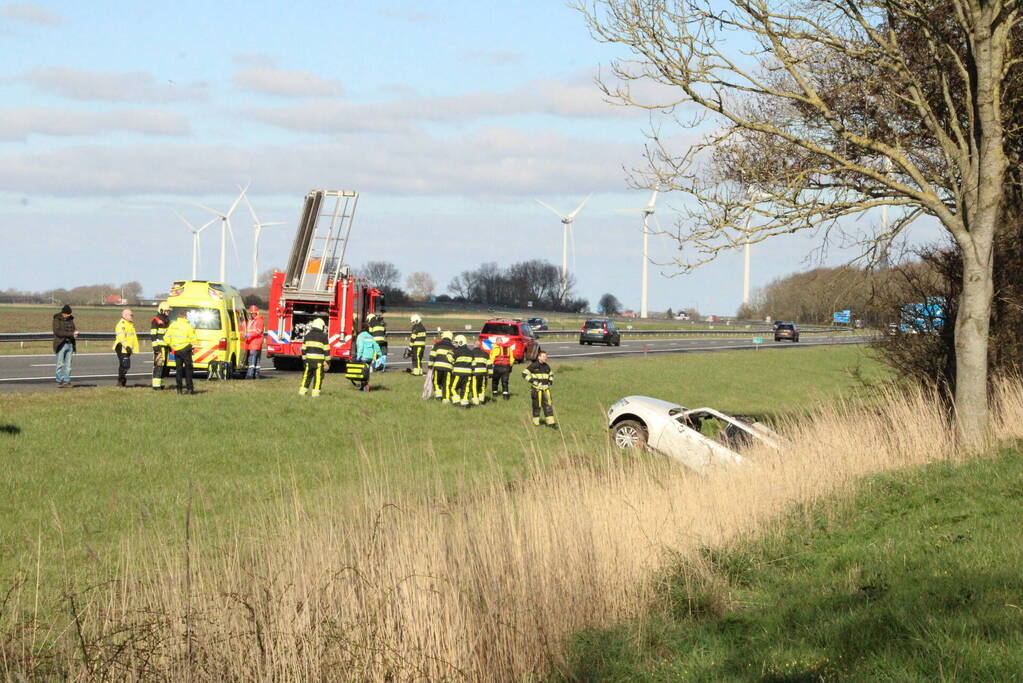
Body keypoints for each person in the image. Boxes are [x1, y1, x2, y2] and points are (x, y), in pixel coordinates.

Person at [522, 349, 557, 428]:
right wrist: (532, 381)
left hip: (546, 390)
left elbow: (551, 374)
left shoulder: (547, 366)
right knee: (536, 406)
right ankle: (536, 423)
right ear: (539, 357)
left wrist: (550, 381)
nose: (546, 358)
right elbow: (524, 373)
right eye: (544, 356)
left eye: (546, 356)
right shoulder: (533, 365)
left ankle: (551, 423)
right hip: (536, 390)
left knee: (548, 406)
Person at [165, 309, 197, 394]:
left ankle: (179, 389)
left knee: (178, 370)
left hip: (177, 350)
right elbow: (193, 339)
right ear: (185, 316)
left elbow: (166, 338)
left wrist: (172, 346)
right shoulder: (188, 326)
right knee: (188, 370)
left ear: (179, 316)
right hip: (186, 350)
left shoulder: (173, 325)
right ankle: (190, 389)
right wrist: (193, 346)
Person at [299, 317, 329, 397]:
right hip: (319, 363)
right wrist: (328, 362)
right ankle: (315, 394)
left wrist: (304, 361)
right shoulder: (324, 337)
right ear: (321, 326)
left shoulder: (307, 335)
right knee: (318, 378)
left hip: (308, 361)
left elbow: (303, 350)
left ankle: (302, 392)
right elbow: (327, 351)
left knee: (306, 377)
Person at [52, 304, 78, 387]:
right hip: (61, 344)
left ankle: (67, 380)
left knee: (68, 365)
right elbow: (58, 332)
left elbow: (73, 329)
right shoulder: (57, 320)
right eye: (68, 314)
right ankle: (59, 380)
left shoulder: (71, 320)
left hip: (70, 344)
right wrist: (71, 334)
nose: (70, 315)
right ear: (64, 313)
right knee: (60, 364)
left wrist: (75, 333)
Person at [113, 308, 139, 387]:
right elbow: (121, 337)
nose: (132, 316)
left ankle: (121, 381)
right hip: (121, 347)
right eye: (130, 315)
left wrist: (132, 347)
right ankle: (121, 381)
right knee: (125, 365)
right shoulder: (121, 324)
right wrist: (127, 346)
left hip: (127, 348)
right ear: (125, 315)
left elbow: (132, 337)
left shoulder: (130, 324)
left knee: (124, 365)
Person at [355, 323, 382, 391]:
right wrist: (380, 354)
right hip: (370, 358)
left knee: (362, 372)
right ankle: (365, 385)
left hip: (363, 357)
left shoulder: (360, 336)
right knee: (367, 372)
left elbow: (360, 347)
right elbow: (376, 346)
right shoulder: (370, 336)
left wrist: (358, 356)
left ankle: (364, 386)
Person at [149, 302, 171, 390]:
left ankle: (161, 384)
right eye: (167, 311)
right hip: (159, 348)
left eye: (168, 311)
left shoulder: (167, 320)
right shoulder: (155, 320)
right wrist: (156, 348)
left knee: (164, 367)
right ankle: (156, 386)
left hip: (166, 347)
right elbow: (153, 335)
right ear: (161, 310)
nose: (168, 312)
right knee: (158, 366)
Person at [429, 331, 455, 401]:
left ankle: (438, 396)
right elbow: (454, 359)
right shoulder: (453, 347)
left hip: (438, 368)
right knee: (446, 384)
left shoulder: (437, 345)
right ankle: (446, 400)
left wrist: (430, 366)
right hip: (448, 369)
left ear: (443, 336)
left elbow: (432, 356)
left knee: (436, 382)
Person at [451, 335, 476, 407]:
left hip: (458, 374)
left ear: (460, 342)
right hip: (468, 375)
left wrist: (449, 353)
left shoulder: (456, 351)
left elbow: (450, 360)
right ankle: (465, 404)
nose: (455, 344)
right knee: (465, 389)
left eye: (456, 342)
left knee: (453, 388)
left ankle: (457, 402)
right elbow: (474, 364)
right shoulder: (470, 352)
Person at [244, 304, 265, 379]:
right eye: (251, 313)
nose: (252, 314)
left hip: (256, 342)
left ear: (256, 313)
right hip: (251, 342)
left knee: (252, 358)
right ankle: (256, 373)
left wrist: (249, 335)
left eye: (253, 313)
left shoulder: (259, 320)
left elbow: (258, 331)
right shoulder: (251, 321)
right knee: (256, 359)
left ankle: (250, 374)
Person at [471, 338, 490, 405]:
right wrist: (490, 374)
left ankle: (475, 401)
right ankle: (481, 400)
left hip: (474, 373)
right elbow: (489, 364)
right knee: (482, 386)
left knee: (474, 387)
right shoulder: (485, 354)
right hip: (483, 373)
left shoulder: (470, 353)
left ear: (474, 345)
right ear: (480, 345)